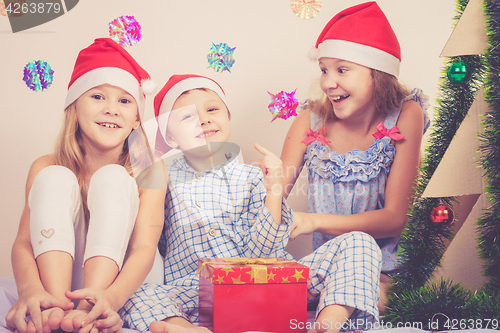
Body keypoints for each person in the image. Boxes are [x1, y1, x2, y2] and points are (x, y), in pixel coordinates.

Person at [120, 74, 382, 333]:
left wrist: (274, 192)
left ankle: (329, 321)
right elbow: (148, 235)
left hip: (270, 282)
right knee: (134, 294)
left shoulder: (254, 177)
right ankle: (183, 328)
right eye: (187, 116)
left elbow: (264, 254)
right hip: (198, 290)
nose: (203, 118)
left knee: (358, 242)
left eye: (212, 109)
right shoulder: (164, 178)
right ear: (171, 138)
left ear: (227, 118)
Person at [6, 38, 166, 333]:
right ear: (74, 108)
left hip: (125, 282)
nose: (112, 109)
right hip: (66, 284)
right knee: (53, 176)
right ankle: (56, 303)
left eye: (124, 100)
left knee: (113, 179)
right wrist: (29, 290)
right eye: (97, 97)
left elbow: (145, 246)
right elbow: (25, 242)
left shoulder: (149, 169)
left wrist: (113, 297)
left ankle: (91, 305)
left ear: (135, 121)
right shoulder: (45, 165)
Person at [280, 1, 429, 314]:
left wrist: (311, 221)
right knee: (264, 301)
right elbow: (273, 197)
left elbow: (394, 218)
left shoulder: (406, 115)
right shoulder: (310, 120)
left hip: (382, 275)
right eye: (323, 70)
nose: (327, 82)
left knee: (366, 305)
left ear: (377, 73)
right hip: (325, 272)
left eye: (342, 70)